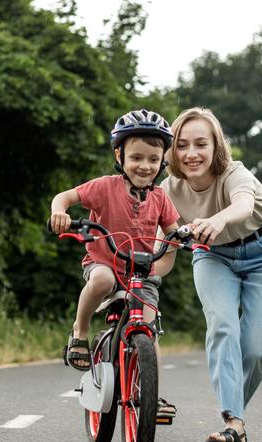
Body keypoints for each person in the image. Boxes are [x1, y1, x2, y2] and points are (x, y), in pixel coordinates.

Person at [157, 107, 262, 442]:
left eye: (201, 144)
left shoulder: (236, 174)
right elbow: (166, 247)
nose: (192, 154)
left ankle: (235, 419)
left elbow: (244, 206)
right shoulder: (168, 190)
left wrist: (218, 220)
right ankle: (233, 424)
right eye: (183, 145)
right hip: (212, 256)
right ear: (172, 150)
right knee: (222, 326)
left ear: (216, 146)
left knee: (256, 352)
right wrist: (144, 277)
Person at [49, 109, 181, 418]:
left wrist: (185, 236)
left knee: (149, 328)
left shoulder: (160, 198)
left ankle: (152, 395)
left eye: (152, 159)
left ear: (162, 161)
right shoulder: (104, 187)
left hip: (140, 274)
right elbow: (64, 197)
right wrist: (60, 212)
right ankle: (79, 333)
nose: (145, 165)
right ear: (119, 156)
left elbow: (175, 229)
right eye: (136, 157)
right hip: (103, 263)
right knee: (103, 280)